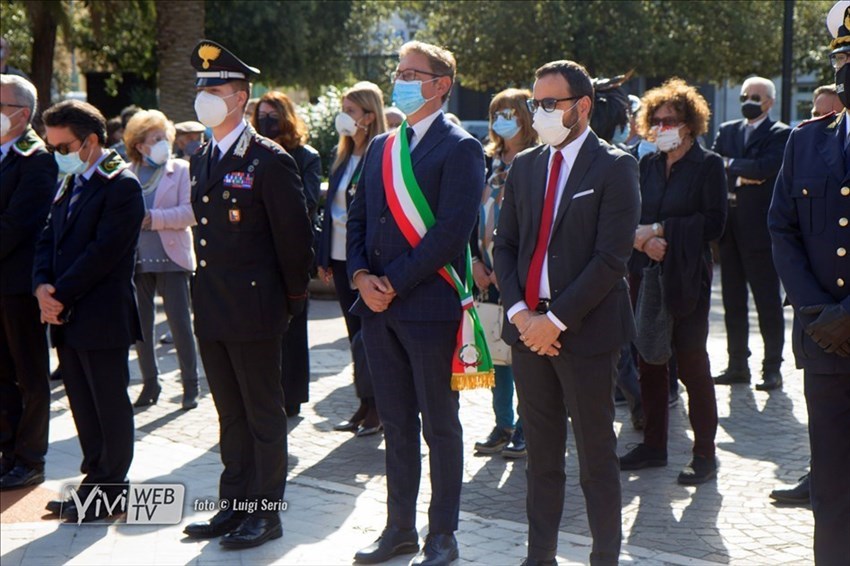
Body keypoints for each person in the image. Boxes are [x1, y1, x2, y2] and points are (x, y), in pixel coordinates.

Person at [494, 59, 640, 566]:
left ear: (582, 106)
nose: (539, 113)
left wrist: (552, 322)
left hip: (584, 332)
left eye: (549, 104)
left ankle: (605, 557)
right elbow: (506, 245)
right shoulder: (527, 164)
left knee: (596, 458)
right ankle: (540, 556)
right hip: (527, 330)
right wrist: (520, 316)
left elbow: (611, 258)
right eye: (535, 103)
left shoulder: (616, 165)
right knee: (541, 457)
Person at [348, 40, 485, 566]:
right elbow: (358, 216)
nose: (400, 79)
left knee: (440, 426)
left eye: (412, 72)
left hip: (428, 308)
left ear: (441, 85)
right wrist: (361, 276)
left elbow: (452, 233)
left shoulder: (460, 146)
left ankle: (442, 535)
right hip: (378, 310)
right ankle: (398, 529)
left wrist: (393, 283)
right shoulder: (383, 146)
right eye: (398, 71)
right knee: (398, 425)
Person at [181, 40, 313, 549]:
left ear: (239, 98)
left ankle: (265, 513)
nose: (204, 95)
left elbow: (294, 238)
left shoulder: (267, 159)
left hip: (255, 309)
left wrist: (291, 300)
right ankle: (233, 506)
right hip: (212, 305)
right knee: (229, 414)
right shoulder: (203, 154)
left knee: (262, 416)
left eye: (213, 88)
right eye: (200, 87)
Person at [34, 100, 144, 521]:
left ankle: (113, 488)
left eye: (63, 146)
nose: (56, 154)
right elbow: (48, 236)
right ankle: (93, 480)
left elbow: (104, 253)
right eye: (52, 146)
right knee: (82, 402)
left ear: (91, 141)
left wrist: (58, 294)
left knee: (108, 405)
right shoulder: (70, 181)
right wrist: (41, 285)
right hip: (67, 313)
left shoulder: (121, 185)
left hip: (100, 313)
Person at [768, 3, 850, 562]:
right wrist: (819, 311)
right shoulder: (808, 140)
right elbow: (782, 227)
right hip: (825, 341)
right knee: (833, 486)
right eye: (845, 60)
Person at [619, 78, 727, 486]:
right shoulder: (645, 164)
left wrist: (663, 230)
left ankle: (704, 453)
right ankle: (654, 445)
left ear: (689, 124)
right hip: (646, 274)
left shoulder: (708, 164)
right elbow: (627, 216)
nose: (664, 126)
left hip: (687, 277)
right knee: (649, 359)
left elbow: (715, 223)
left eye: (672, 120)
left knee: (692, 363)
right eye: (658, 120)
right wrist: (644, 242)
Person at [316, 81, 387, 437]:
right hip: (340, 258)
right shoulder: (342, 155)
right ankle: (364, 402)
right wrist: (324, 254)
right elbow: (331, 211)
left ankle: (378, 407)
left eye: (351, 112)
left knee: (368, 339)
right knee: (353, 335)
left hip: (366, 264)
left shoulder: (381, 152)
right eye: (343, 111)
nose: (344, 119)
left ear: (369, 116)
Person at [712, 77, 790, 391]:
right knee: (732, 301)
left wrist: (738, 170)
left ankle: (772, 368)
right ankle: (737, 364)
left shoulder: (781, 134)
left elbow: (765, 169)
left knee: (767, 302)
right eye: (745, 95)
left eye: (755, 96)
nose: (749, 100)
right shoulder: (727, 130)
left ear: (769, 102)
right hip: (729, 231)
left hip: (760, 232)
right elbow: (715, 167)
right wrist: (742, 173)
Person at [471, 87, 537, 459]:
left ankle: (528, 427)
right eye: (497, 112)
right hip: (486, 272)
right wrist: (476, 263)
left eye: (509, 112)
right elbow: (469, 214)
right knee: (496, 353)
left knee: (522, 353)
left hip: (521, 274)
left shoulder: (537, 158)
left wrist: (509, 271)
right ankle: (503, 423)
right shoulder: (486, 160)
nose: (501, 119)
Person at [0, 74, 57, 490]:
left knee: (30, 375)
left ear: (20, 113)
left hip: (20, 285)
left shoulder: (37, 158)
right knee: (1, 375)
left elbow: (17, 224)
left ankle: (30, 457)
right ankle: (7, 452)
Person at [122, 109, 199, 410]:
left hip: (173, 257)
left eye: (164, 137)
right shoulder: (127, 172)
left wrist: (153, 218)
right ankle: (150, 384)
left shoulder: (181, 169)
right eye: (155, 138)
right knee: (141, 327)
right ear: (139, 144)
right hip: (138, 260)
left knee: (180, 324)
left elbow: (191, 212)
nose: (162, 143)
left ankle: (190, 385)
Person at [251, 90, 321, 417]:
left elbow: (306, 201)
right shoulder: (252, 153)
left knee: (294, 328)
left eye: (272, 116)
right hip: (259, 254)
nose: (266, 121)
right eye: (261, 115)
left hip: (293, 251)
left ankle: (292, 396)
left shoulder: (305, 156)